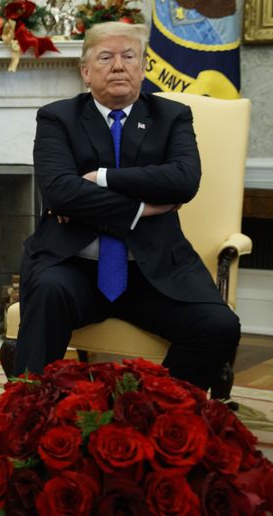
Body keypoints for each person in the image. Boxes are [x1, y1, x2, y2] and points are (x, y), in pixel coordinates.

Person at [14, 22, 240, 391]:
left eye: (128, 56)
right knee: (48, 294)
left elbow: (184, 181)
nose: (118, 66)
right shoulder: (57, 118)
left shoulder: (173, 116)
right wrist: (143, 208)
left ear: (143, 67)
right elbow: (59, 192)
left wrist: (101, 178)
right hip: (74, 266)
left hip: (154, 272)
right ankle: (27, 417)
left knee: (219, 326)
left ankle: (158, 413)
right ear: (86, 72)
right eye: (106, 57)